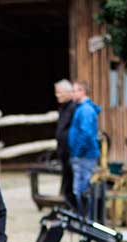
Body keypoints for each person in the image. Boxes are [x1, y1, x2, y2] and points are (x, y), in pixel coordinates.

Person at [67, 80, 101, 218]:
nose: (72, 94)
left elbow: (86, 134)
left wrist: (78, 152)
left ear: (82, 91)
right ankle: (84, 218)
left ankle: (86, 219)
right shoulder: (81, 108)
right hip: (81, 156)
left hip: (84, 156)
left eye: (74, 90)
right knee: (80, 188)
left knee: (83, 189)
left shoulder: (85, 110)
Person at [54, 79, 76, 208]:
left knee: (72, 184)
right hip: (63, 152)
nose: (57, 95)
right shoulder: (63, 108)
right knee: (67, 183)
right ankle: (68, 208)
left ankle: (74, 210)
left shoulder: (73, 108)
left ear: (68, 92)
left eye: (60, 93)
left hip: (71, 152)